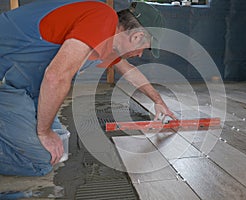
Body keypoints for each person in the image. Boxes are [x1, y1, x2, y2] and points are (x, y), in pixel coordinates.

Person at [0, 0, 176, 176]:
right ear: (136, 37)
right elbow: (56, 77)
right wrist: (44, 133)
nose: (139, 55)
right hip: (9, 86)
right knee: (41, 160)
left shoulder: (105, 39)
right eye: (143, 49)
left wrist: (158, 102)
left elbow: (129, 71)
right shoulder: (102, 16)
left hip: (23, 89)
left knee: (60, 147)